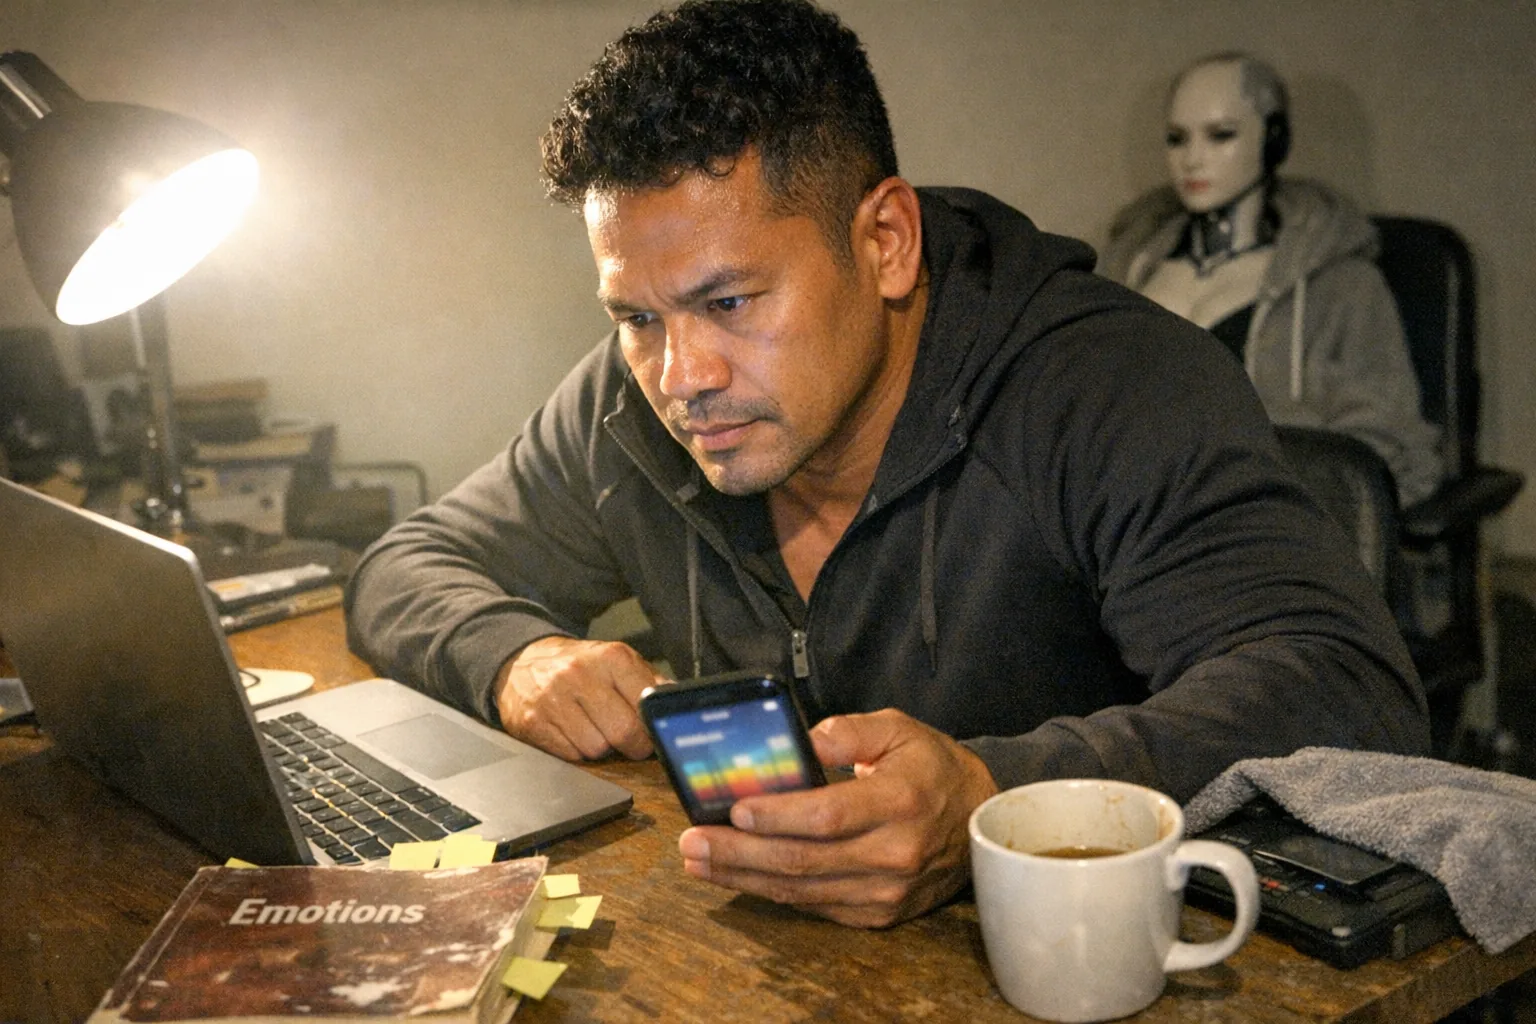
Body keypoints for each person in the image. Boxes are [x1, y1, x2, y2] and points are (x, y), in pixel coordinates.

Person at [346, 0, 1429, 928]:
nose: (682, 375)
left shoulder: (1108, 385)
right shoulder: (633, 394)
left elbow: (1349, 688)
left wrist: (994, 796)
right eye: (635, 315)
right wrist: (512, 657)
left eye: (730, 301)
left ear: (887, 242)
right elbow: (409, 562)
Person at [1098, 52, 1443, 507]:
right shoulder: (1126, 269)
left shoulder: (1342, 285)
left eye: (1221, 135)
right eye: (1177, 139)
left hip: (1264, 530)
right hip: (1125, 520)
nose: (1193, 159)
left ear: (1274, 140)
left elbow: (1386, 452)